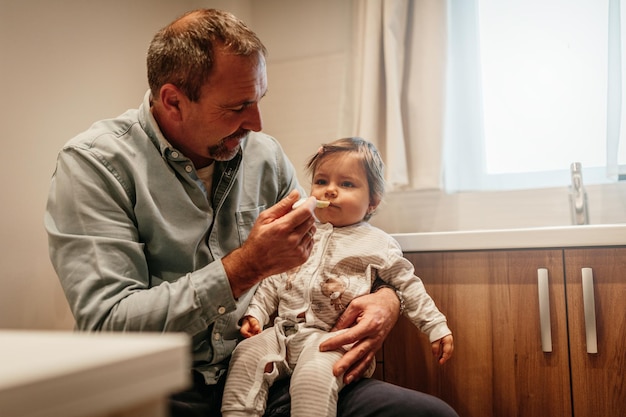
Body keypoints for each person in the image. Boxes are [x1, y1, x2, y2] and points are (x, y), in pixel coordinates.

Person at [44, 8, 459, 417]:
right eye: (238, 106)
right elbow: (108, 325)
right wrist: (242, 267)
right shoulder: (95, 165)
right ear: (173, 101)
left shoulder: (264, 156)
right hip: (157, 387)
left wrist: (385, 298)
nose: (257, 123)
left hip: (268, 368)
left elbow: (325, 243)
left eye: (258, 100)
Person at [220, 137, 455, 417]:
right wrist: (256, 315)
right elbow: (273, 279)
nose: (330, 190)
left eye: (346, 184)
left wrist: (436, 326)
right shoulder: (300, 234)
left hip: (334, 341)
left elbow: (408, 286)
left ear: (373, 201)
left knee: (314, 377)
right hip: (283, 333)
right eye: (321, 182)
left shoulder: (377, 243)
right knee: (246, 355)